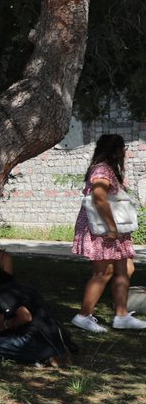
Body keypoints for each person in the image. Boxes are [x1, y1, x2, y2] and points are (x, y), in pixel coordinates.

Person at [69, 134, 146, 331]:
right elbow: (99, 197)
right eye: (123, 150)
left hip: (114, 230)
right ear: (118, 150)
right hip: (104, 229)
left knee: (125, 269)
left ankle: (121, 316)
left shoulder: (107, 169)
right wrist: (112, 226)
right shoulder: (102, 169)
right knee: (103, 272)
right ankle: (83, 316)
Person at [0, 238, 76, 364]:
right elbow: (11, 316)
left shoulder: (2, 293)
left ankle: (44, 357)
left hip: (38, 341)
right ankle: (47, 355)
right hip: (57, 337)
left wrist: (6, 325)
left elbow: (25, 317)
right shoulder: (18, 287)